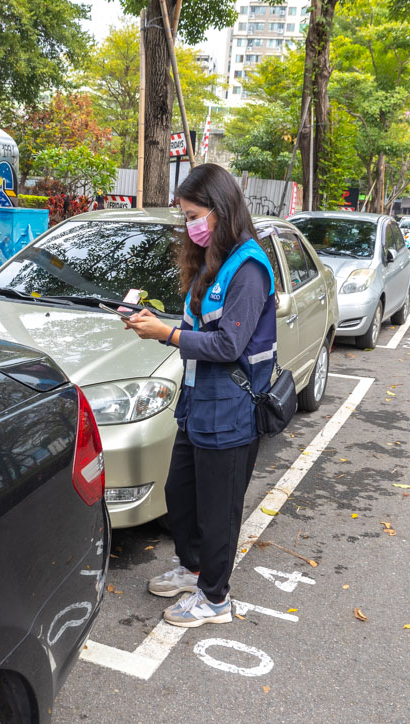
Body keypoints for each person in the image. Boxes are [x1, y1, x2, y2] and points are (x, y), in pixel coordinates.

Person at [123, 163, 277, 628]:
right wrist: (154, 322)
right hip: (197, 405)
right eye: (185, 216)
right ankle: (192, 569)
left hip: (231, 410)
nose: (189, 225)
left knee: (218, 511)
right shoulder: (214, 262)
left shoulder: (248, 268)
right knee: (181, 495)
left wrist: (165, 334)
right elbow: (199, 326)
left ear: (220, 209)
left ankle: (214, 599)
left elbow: (229, 345)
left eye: (193, 215)